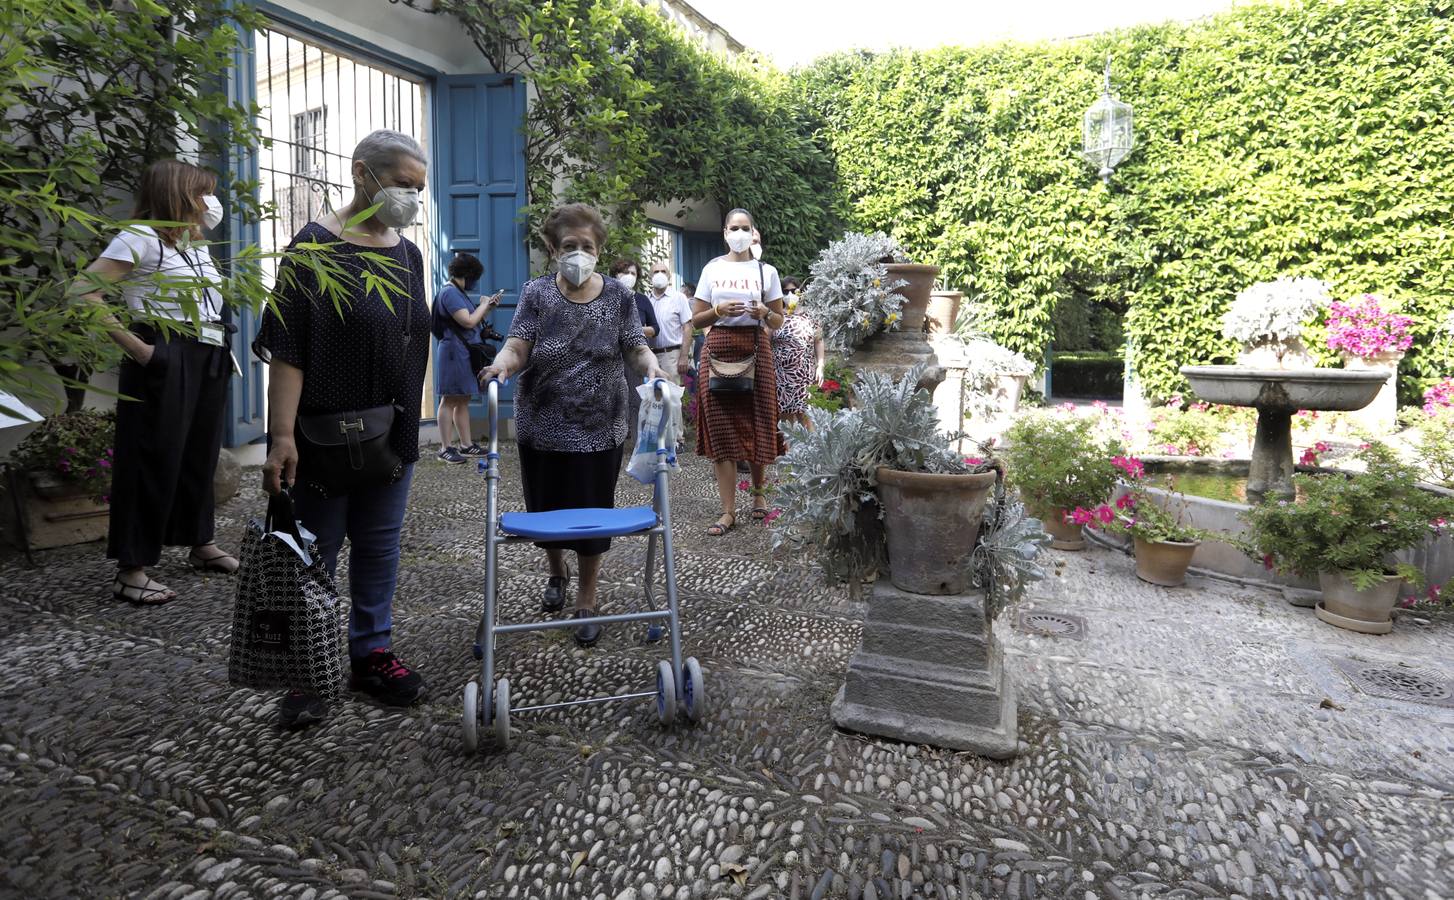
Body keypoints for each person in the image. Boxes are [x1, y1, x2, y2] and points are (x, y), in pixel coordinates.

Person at [256, 130, 432, 727]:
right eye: (404, 185)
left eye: (419, 189)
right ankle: (309, 670)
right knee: (316, 552)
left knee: (380, 548)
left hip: (389, 430)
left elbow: (414, 343)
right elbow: (288, 348)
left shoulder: (407, 255)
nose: (411, 198)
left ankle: (371, 654)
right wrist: (282, 436)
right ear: (363, 174)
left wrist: (408, 427)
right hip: (321, 434)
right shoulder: (312, 249)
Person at [480, 205, 669, 646]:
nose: (579, 254)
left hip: (599, 426)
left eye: (587, 246)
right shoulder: (536, 293)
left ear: (599, 250)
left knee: (591, 516)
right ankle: (555, 572)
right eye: (570, 246)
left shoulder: (619, 298)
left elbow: (636, 348)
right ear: (553, 249)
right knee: (547, 509)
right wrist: (500, 366)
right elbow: (517, 345)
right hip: (541, 422)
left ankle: (587, 597)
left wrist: (653, 368)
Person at [77, 159, 237, 605]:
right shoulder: (140, 237)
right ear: (179, 194)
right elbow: (82, 291)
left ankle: (198, 542)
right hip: (164, 350)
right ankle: (132, 568)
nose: (211, 201)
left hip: (207, 352)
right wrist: (141, 349)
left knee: (198, 453)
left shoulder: (193, 243)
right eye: (203, 191)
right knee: (152, 454)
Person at [690, 209, 787, 535]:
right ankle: (728, 510)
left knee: (759, 421)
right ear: (725, 232)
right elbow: (696, 319)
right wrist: (718, 310)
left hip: (757, 350)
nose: (740, 233)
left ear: (752, 231)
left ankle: (758, 497)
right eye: (735, 227)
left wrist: (763, 312)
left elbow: (779, 320)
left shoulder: (766, 271)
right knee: (721, 430)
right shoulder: (712, 269)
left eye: (745, 228)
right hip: (717, 348)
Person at [432, 252, 503, 464]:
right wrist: (482, 304)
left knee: (463, 398)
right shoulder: (450, 293)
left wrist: (488, 307)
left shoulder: (458, 292)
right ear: (467, 275)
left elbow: (472, 324)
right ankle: (445, 447)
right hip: (453, 353)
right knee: (449, 399)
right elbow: (468, 321)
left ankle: (466, 444)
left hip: (461, 351)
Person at [609, 258, 660, 448]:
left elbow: (655, 328)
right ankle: (614, 444)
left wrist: (635, 329)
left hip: (635, 355)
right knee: (613, 399)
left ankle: (639, 444)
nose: (629, 277)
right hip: (611, 355)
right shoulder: (606, 297)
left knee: (636, 399)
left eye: (633, 273)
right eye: (624, 272)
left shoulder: (641, 300)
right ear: (614, 274)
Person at [770, 276, 825, 431]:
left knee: (806, 415)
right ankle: (788, 452)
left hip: (804, 373)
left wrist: (820, 366)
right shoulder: (775, 316)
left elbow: (818, 340)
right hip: (781, 374)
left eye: (794, 290)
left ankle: (811, 451)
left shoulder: (811, 315)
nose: (790, 294)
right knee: (785, 417)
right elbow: (766, 341)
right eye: (785, 291)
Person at [645, 260, 694, 385]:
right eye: (656, 272)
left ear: (669, 276)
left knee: (672, 397)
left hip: (672, 356)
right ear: (650, 277)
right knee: (652, 398)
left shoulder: (678, 298)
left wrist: (684, 356)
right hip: (650, 357)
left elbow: (687, 327)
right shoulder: (645, 300)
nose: (660, 274)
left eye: (663, 271)